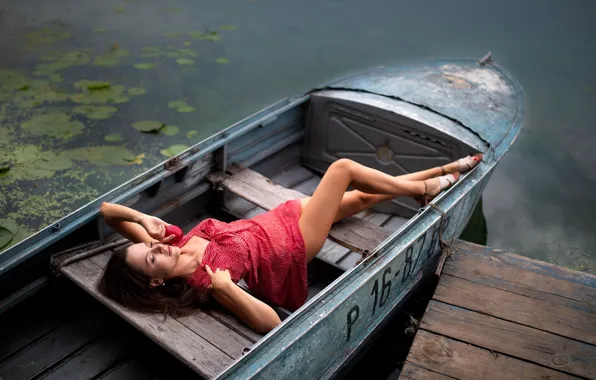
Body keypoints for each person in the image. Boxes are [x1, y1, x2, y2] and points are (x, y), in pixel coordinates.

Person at [98, 155, 482, 333]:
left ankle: (442, 174)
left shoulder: (171, 243)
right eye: (151, 257)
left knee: (363, 199)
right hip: (295, 243)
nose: (157, 247)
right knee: (342, 170)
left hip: (278, 218)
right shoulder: (206, 282)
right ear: (154, 281)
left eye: (149, 245)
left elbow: (108, 212)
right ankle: (426, 187)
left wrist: (141, 218)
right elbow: (271, 323)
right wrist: (230, 290)